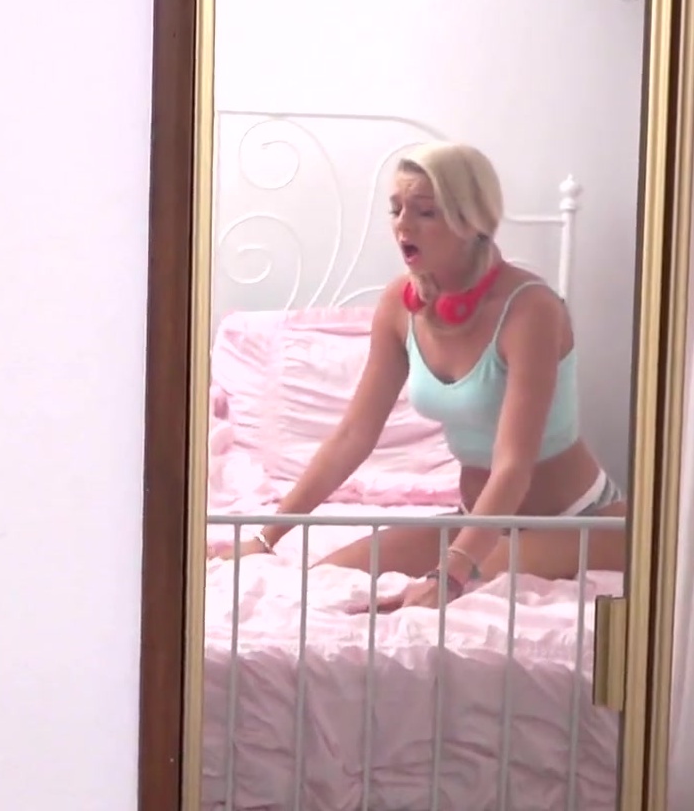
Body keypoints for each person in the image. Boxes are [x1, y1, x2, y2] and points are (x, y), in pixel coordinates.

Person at [212, 141, 628, 609]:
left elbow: (514, 464)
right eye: (396, 210)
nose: (403, 225)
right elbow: (352, 436)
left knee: (412, 606)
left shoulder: (531, 309)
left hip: (575, 520)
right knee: (325, 584)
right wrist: (266, 539)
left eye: (425, 212)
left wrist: (449, 576)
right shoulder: (399, 305)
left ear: (472, 221)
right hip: (477, 518)